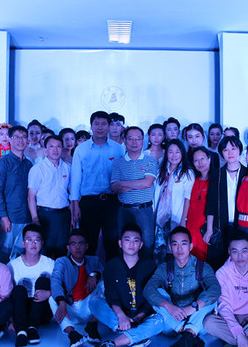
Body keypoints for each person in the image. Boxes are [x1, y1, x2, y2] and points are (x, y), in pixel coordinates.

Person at [144, 227, 220, 347]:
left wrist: (194, 307)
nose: (179, 248)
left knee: (211, 298)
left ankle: (187, 335)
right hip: (173, 321)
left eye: (183, 244)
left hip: (197, 318)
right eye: (175, 244)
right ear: (170, 247)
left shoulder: (202, 266)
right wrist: (169, 306)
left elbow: (216, 289)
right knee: (157, 294)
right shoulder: (164, 268)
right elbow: (148, 289)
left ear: (190, 246)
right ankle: (188, 334)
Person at [89, 224, 161, 347]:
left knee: (161, 320)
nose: (131, 244)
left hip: (142, 316)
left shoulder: (150, 266)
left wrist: (138, 317)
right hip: (119, 316)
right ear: (120, 243)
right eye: (127, 240)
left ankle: (111, 344)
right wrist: (122, 317)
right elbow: (112, 297)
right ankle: (137, 336)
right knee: (94, 302)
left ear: (141, 244)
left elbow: (151, 299)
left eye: (136, 240)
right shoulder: (111, 266)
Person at [70, 111, 124, 260]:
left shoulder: (118, 148)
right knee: (89, 243)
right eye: (97, 124)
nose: (100, 127)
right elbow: (76, 179)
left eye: (104, 124)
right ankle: (88, 274)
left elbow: (122, 176)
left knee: (112, 243)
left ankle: (112, 273)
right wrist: (75, 204)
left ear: (109, 126)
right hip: (88, 202)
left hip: (112, 202)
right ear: (91, 126)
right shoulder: (81, 149)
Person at [49, 229, 104, 347]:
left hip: (90, 309)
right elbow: (55, 280)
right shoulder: (62, 262)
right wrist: (62, 302)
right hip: (71, 310)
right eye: (73, 244)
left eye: (81, 243)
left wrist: (94, 274)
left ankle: (92, 326)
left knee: (105, 284)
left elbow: (102, 270)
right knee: (52, 298)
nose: (77, 247)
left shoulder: (93, 260)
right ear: (68, 247)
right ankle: (73, 335)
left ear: (86, 246)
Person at [111, 126, 158, 260]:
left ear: (143, 140)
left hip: (145, 210)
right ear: (124, 140)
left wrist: (123, 183)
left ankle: (146, 273)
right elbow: (114, 188)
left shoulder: (150, 160)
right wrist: (139, 183)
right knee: (124, 247)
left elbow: (147, 183)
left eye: (138, 138)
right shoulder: (118, 163)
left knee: (147, 246)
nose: (134, 142)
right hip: (124, 210)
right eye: (130, 138)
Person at [204, 135, 248, 270]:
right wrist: (209, 229)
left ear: (240, 150)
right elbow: (211, 203)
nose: (230, 153)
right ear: (221, 153)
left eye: (233, 149)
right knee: (219, 262)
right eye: (225, 150)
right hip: (220, 225)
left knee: (241, 262)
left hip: (242, 225)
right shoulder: (217, 174)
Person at [8, 224, 55, 347]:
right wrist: (11, 320)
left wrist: (49, 293)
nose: (33, 243)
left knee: (43, 280)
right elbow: (7, 294)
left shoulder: (50, 264)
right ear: (23, 243)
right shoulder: (13, 265)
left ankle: (32, 327)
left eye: (37, 240)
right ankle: (21, 332)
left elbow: (62, 288)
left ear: (42, 243)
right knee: (18, 289)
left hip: (42, 311)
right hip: (21, 310)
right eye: (29, 240)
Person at [0, 125, 33, 263]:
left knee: (21, 256)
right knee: (4, 255)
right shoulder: (3, 163)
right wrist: (4, 217)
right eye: (16, 137)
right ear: (10, 139)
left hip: (26, 216)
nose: (20, 140)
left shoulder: (28, 164)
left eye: (24, 137)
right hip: (9, 217)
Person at [28, 135, 71, 259]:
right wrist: (35, 218)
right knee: (45, 250)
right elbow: (31, 196)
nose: (55, 149)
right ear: (46, 150)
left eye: (58, 146)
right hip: (45, 215)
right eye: (51, 146)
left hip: (63, 215)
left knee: (62, 251)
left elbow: (71, 193)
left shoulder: (67, 168)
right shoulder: (38, 169)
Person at [154, 139, 195, 263]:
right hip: (159, 218)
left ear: (182, 153)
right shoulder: (160, 170)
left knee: (173, 250)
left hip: (176, 217)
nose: (174, 155)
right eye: (171, 152)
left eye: (177, 152)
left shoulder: (187, 173)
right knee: (159, 250)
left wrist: (183, 219)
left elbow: (188, 198)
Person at [187, 147, 212, 262]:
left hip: (205, 228)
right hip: (191, 227)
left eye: (202, 159)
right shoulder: (193, 179)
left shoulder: (215, 180)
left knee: (204, 260)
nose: (199, 163)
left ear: (209, 159)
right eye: (196, 160)